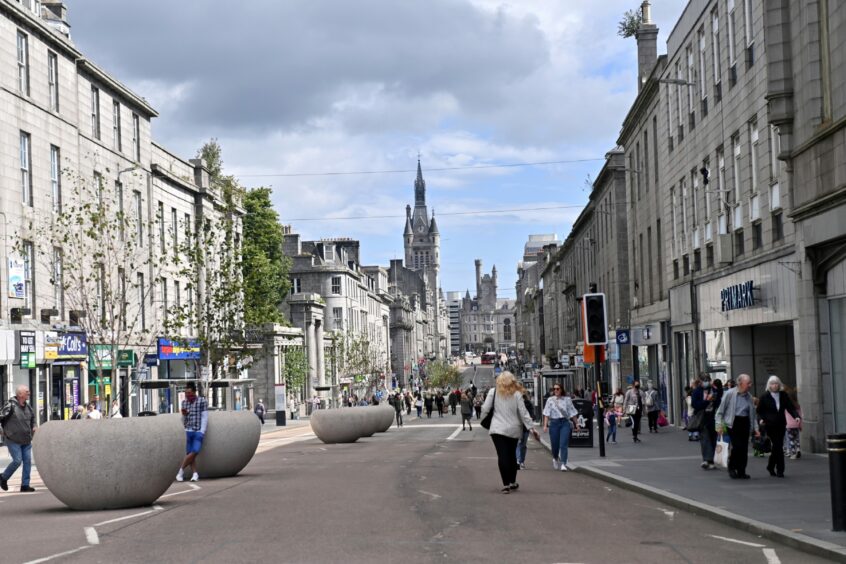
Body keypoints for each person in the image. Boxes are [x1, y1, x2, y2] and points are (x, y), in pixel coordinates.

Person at [480, 372, 539, 493]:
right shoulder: (517, 394)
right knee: (512, 455)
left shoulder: (493, 392)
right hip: (513, 429)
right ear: (512, 381)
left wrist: (484, 418)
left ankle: (505, 484)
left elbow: (485, 408)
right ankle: (512, 481)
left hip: (497, 429)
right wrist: (532, 428)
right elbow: (523, 413)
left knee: (502, 455)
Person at [715, 373, 759, 480]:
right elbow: (720, 411)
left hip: (745, 423)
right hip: (733, 423)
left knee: (744, 449)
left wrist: (756, 429)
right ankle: (732, 467)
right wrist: (719, 425)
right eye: (748, 383)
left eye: (750, 383)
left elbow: (753, 415)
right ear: (740, 383)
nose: (750, 385)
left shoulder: (749, 397)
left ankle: (741, 471)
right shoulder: (730, 394)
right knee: (737, 447)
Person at [757, 375, 800, 478]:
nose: (774, 385)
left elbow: (790, 407)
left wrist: (796, 416)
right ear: (769, 385)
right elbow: (759, 411)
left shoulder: (783, 395)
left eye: (776, 383)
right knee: (778, 447)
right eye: (772, 383)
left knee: (778, 447)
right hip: (769, 425)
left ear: (779, 384)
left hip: (781, 424)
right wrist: (761, 419)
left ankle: (773, 467)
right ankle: (777, 469)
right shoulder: (764, 397)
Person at [0, 385, 37, 492]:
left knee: (27, 462)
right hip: (13, 439)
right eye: (27, 391)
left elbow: (33, 419)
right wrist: (1, 430)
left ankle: (25, 485)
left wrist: (34, 426)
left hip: (26, 440)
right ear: (20, 394)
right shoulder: (10, 405)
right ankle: (3, 477)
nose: (29, 393)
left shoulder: (28, 406)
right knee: (17, 461)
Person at [542, 383, 580, 471]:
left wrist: (577, 424)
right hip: (554, 423)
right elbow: (546, 414)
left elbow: (572, 412)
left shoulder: (567, 399)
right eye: (554, 389)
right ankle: (555, 458)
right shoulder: (550, 400)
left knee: (563, 444)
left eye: (557, 389)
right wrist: (545, 425)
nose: (555, 390)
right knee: (555, 444)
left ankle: (563, 463)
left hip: (565, 423)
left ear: (561, 389)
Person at [176, 382, 208, 483]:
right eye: (186, 393)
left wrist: (202, 431)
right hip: (187, 430)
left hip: (198, 430)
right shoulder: (184, 403)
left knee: (195, 451)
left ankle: (180, 471)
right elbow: (183, 418)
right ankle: (195, 474)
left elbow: (205, 417)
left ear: (194, 392)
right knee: (189, 453)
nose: (187, 395)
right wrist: (184, 415)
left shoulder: (202, 401)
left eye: (189, 393)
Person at [691, 373, 721, 469]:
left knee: (713, 438)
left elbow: (719, 403)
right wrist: (707, 401)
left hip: (712, 417)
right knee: (704, 438)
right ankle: (707, 460)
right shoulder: (696, 391)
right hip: (702, 418)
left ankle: (710, 460)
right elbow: (695, 405)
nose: (706, 382)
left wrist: (714, 399)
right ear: (700, 381)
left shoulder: (713, 390)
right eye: (704, 380)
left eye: (707, 380)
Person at [516, 391, 535, 469]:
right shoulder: (514, 402)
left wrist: (531, 418)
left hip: (525, 427)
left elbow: (532, 415)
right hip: (516, 426)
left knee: (523, 445)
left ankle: (522, 461)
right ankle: (517, 460)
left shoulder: (528, 403)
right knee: (517, 444)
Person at [784, 387, 802, 459]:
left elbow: (784, 415)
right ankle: (798, 449)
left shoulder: (787, 405)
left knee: (791, 439)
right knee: (797, 438)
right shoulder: (797, 406)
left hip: (789, 425)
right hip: (796, 424)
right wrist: (800, 425)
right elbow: (801, 415)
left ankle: (793, 453)